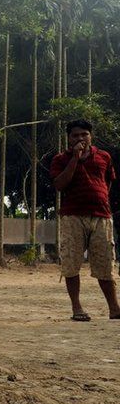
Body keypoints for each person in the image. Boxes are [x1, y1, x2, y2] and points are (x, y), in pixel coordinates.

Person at [49, 119, 120, 321]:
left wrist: (100, 199)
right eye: (75, 135)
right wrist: (75, 159)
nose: (80, 138)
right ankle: (76, 308)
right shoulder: (60, 159)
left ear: (91, 136)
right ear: (69, 139)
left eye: (84, 134)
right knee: (71, 264)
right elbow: (60, 184)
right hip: (72, 216)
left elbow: (107, 182)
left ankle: (114, 308)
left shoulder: (104, 157)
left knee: (106, 263)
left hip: (101, 216)